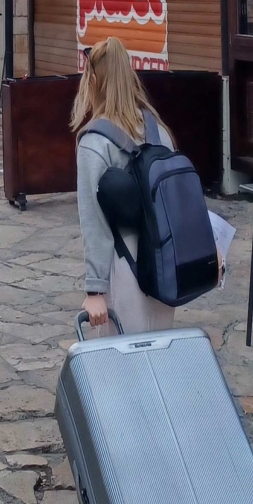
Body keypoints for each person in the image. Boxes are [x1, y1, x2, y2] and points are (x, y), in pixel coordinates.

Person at [73, 36, 177, 336]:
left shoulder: (95, 142)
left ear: (93, 79)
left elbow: (93, 221)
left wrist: (95, 289)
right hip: (162, 267)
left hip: (123, 266)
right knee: (156, 361)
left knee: (119, 371)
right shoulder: (158, 130)